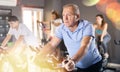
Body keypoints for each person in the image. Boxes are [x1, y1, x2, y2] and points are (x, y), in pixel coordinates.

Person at [37, 4, 102, 72]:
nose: (65, 18)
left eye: (69, 15)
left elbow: (84, 46)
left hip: (93, 64)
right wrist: (40, 55)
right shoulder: (61, 28)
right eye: (63, 15)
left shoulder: (87, 26)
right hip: (78, 64)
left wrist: (73, 61)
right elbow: (52, 44)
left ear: (77, 17)